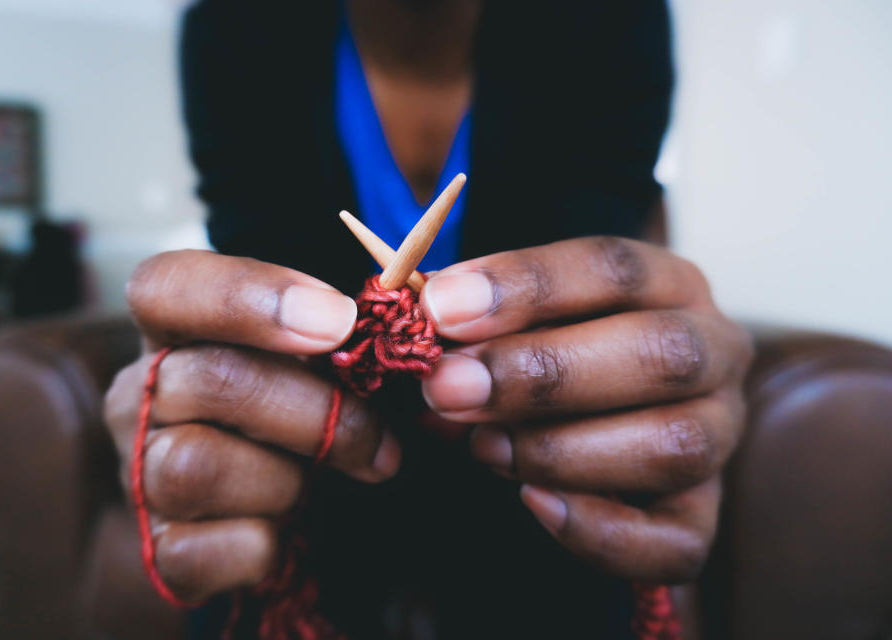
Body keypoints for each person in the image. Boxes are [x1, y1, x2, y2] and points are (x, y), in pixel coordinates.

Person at [104, 1, 753, 637]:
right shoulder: (236, 27)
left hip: (528, 483)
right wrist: (193, 381)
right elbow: (251, 259)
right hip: (324, 477)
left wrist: (660, 368)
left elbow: (620, 239)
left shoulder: (612, 20)